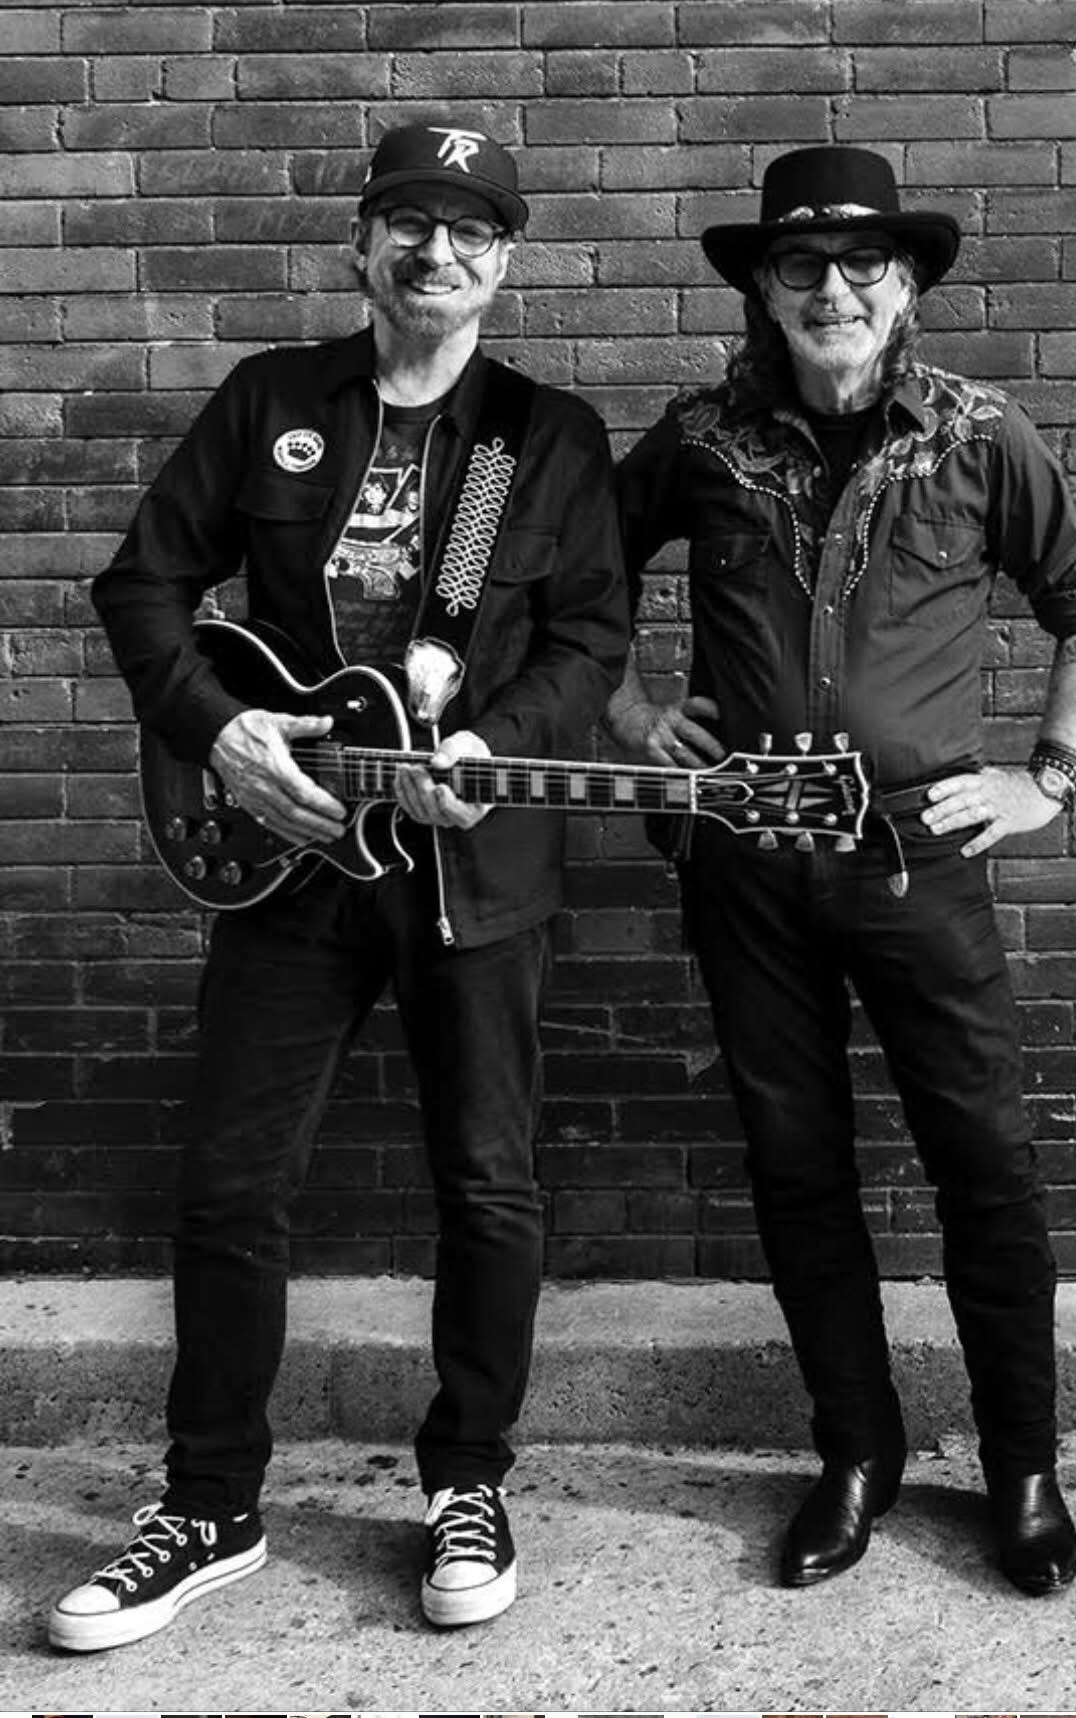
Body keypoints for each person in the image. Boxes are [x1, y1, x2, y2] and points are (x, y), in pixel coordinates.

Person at [51, 119, 629, 1650]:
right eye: (407, 222)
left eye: (467, 228)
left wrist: (499, 741)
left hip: (471, 866)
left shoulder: (544, 440)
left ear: (502, 260)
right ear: (362, 244)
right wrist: (218, 730)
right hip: (290, 860)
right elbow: (142, 583)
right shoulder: (270, 402)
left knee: (486, 1183)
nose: (434, 251)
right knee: (229, 1183)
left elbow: (592, 640)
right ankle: (208, 1502)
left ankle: (467, 1478)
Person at [606, 145, 1076, 1597]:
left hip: (918, 858)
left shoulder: (980, 435)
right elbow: (575, 581)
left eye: (861, 265)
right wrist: (633, 716)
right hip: (746, 861)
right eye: (800, 266)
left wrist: (1046, 778)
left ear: (905, 287)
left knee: (987, 1163)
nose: (831, 290)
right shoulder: (698, 440)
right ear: (764, 291)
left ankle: (1021, 1464)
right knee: (795, 1165)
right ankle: (855, 1452)